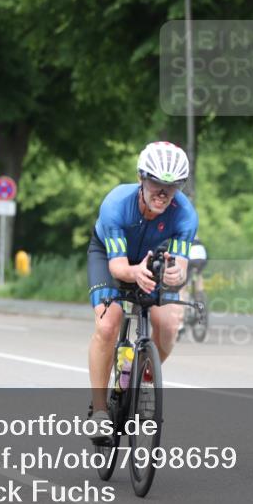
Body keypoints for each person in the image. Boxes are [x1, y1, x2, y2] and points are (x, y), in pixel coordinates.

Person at [85, 142, 198, 435]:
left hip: (153, 259)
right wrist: (134, 273)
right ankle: (100, 410)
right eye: (157, 183)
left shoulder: (185, 214)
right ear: (141, 178)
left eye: (173, 186)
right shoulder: (115, 204)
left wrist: (175, 274)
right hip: (110, 257)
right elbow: (118, 267)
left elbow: (181, 266)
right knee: (107, 325)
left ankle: (141, 376)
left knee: (169, 325)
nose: (163, 193)